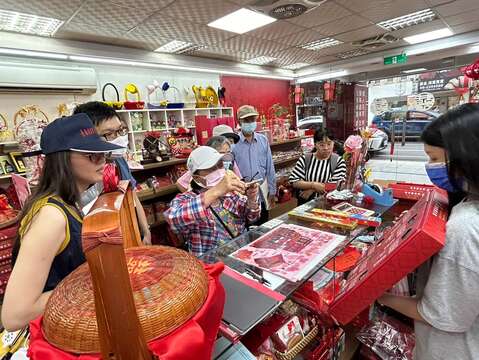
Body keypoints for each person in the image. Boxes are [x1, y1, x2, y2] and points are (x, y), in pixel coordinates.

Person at [1, 114, 123, 331]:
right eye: (91, 155)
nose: (102, 160)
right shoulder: (51, 216)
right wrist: (94, 281)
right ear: (63, 158)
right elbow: (15, 316)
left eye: (103, 153)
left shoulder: (67, 205)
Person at [377, 103, 479, 360]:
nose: (429, 166)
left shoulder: (465, 228)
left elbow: (441, 315)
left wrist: (377, 295)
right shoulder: (467, 203)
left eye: (434, 158)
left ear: (466, 157)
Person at [73, 101, 151, 245]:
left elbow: (132, 195)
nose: (118, 139)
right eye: (109, 134)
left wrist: (145, 231)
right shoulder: (85, 173)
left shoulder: (119, 160)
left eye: (120, 131)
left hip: (130, 233)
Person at [165, 146, 260, 257]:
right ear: (197, 178)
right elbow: (173, 218)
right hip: (211, 266)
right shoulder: (187, 199)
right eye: (211, 168)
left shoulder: (231, 194)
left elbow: (252, 218)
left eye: (220, 165)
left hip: (240, 256)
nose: (219, 170)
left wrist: (252, 200)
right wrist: (216, 191)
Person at [232, 105, 276, 224]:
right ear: (239, 121)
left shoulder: (263, 140)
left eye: (252, 120)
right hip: (242, 196)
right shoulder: (233, 144)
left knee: (263, 227)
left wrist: (272, 191)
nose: (250, 123)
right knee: (246, 229)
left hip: (262, 193)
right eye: (246, 120)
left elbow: (270, 167)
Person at [289, 128, 346, 203]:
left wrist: (312, 189)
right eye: (321, 145)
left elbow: (336, 185)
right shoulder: (306, 159)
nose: (326, 148)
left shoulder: (338, 161)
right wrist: (314, 185)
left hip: (328, 204)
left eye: (329, 144)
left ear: (333, 143)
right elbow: (294, 181)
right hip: (306, 204)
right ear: (315, 145)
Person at [176, 135, 241, 192]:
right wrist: (196, 197)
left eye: (228, 152)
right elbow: (179, 183)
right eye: (222, 153)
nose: (225, 156)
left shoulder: (230, 162)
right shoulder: (199, 169)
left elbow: (239, 180)